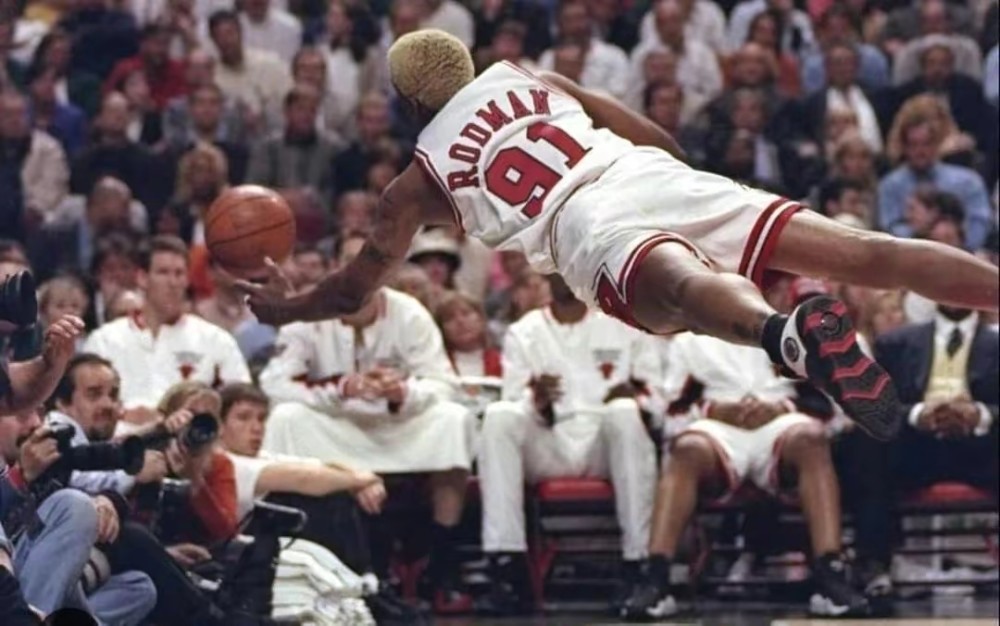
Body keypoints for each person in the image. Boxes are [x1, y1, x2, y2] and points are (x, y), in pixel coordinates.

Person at [239, 30, 1000, 443]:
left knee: (681, 293)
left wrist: (282, 307)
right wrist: (677, 191)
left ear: (408, 101)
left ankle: (783, 334)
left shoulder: (414, 183)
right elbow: (660, 138)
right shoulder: (534, 78)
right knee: (871, 254)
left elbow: (353, 289)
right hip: (646, 172)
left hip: (583, 220)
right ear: (469, 68)